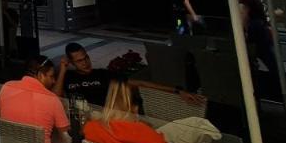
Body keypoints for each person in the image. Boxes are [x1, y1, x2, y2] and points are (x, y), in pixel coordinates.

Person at [54, 42, 203, 108]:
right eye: (79, 61)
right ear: (72, 63)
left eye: (86, 57)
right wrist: (62, 69)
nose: (85, 63)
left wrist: (177, 91)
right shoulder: (68, 77)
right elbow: (55, 97)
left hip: (104, 119)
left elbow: (141, 84)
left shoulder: (103, 75)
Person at [0, 56, 70, 143]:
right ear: (40, 75)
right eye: (51, 76)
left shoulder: (6, 87)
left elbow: (0, 120)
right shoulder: (52, 99)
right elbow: (67, 137)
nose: (53, 81)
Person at [240, 0, 279, 82]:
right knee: (267, 54)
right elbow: (244, 15)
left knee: (266, 54)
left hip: (259, 29)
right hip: (257, 31)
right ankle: (276, 77)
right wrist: (244, 30)